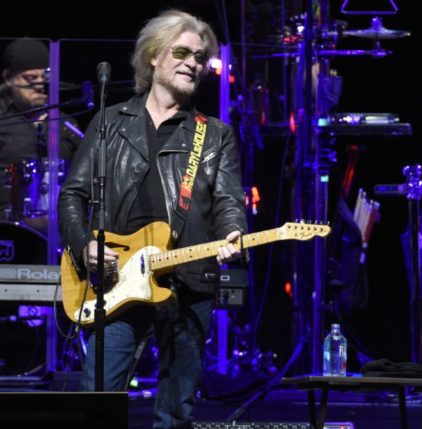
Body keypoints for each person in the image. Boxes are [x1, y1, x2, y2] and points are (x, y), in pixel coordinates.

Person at [58, 10, 246, 428]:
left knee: (176, 412)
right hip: (116, 280)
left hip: (189, 281)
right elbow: (73, 195)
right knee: (99, 399)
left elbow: (229, 200)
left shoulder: (213, 134)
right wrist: (83, 243)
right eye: (181, 52)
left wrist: (234, 231)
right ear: (154, 57)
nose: (192, 63)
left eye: (199, 57)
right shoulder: (110, 123)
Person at [0, 37, 82, 229]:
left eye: (44, 78)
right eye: (30, 79)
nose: (40, 84)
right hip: (5, 229)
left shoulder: (67, 125)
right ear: (8, 78)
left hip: (58, 232)